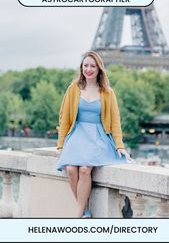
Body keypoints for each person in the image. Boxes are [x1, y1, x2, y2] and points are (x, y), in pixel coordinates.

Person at [56, 50, 133, 218]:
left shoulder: (107, 92)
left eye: (92, 66)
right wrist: (61, 144)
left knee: (84, 169)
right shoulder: (73, 89)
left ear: (99, 69)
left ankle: (78, 214)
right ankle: (84, 211)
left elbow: (115, 121)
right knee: (70, 169)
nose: (88, 69)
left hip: (97, 136)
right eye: (85, 66)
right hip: (77, 134)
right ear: (81, 68)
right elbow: (65, 118)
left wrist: (119, 146)